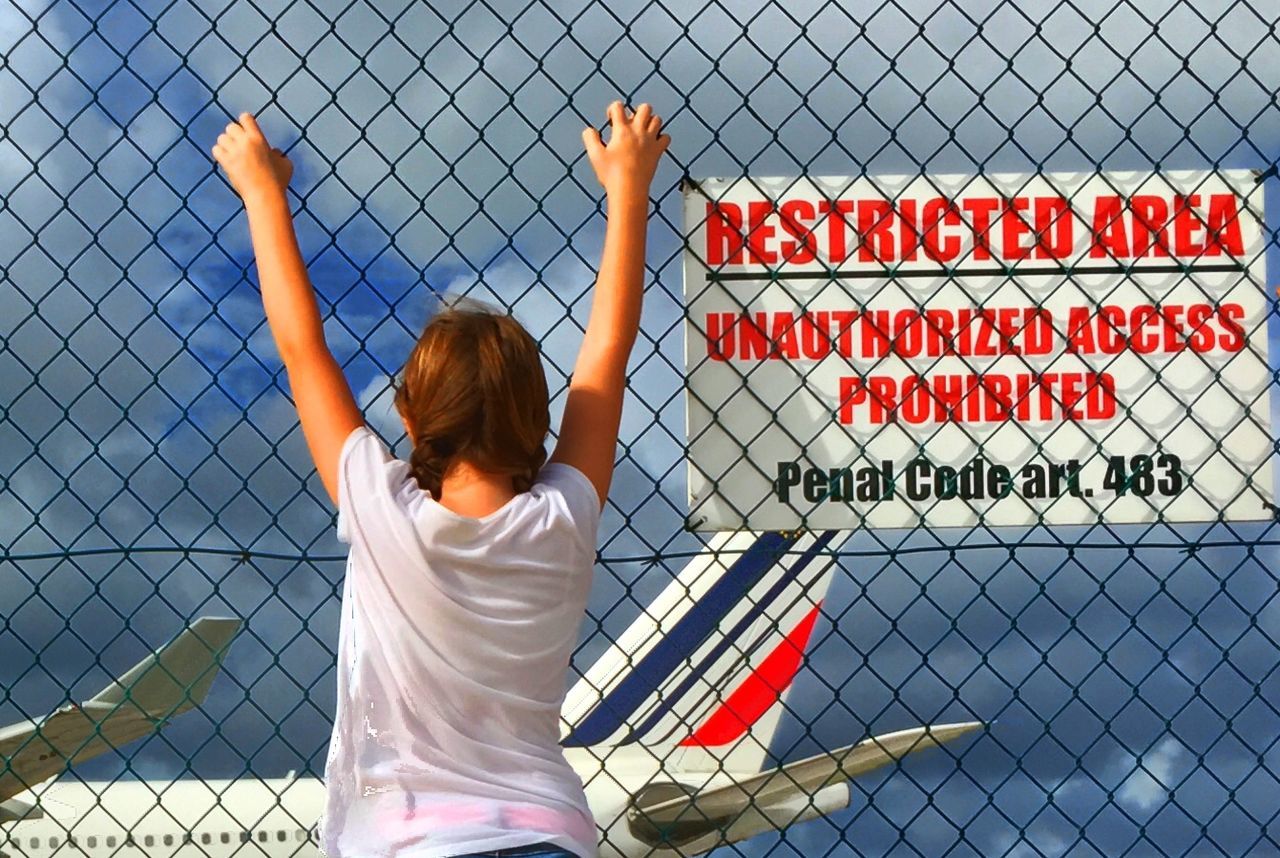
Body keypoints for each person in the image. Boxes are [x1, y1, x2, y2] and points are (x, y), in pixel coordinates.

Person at [210, 101, 669, 858]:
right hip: (547, 834)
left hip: (407, 842)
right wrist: (628, 189)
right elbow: (608, 353)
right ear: (534, 415)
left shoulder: (379, 503)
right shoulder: (561, 518)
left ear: (410, 417)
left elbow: (301, 348)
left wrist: (264, 193)